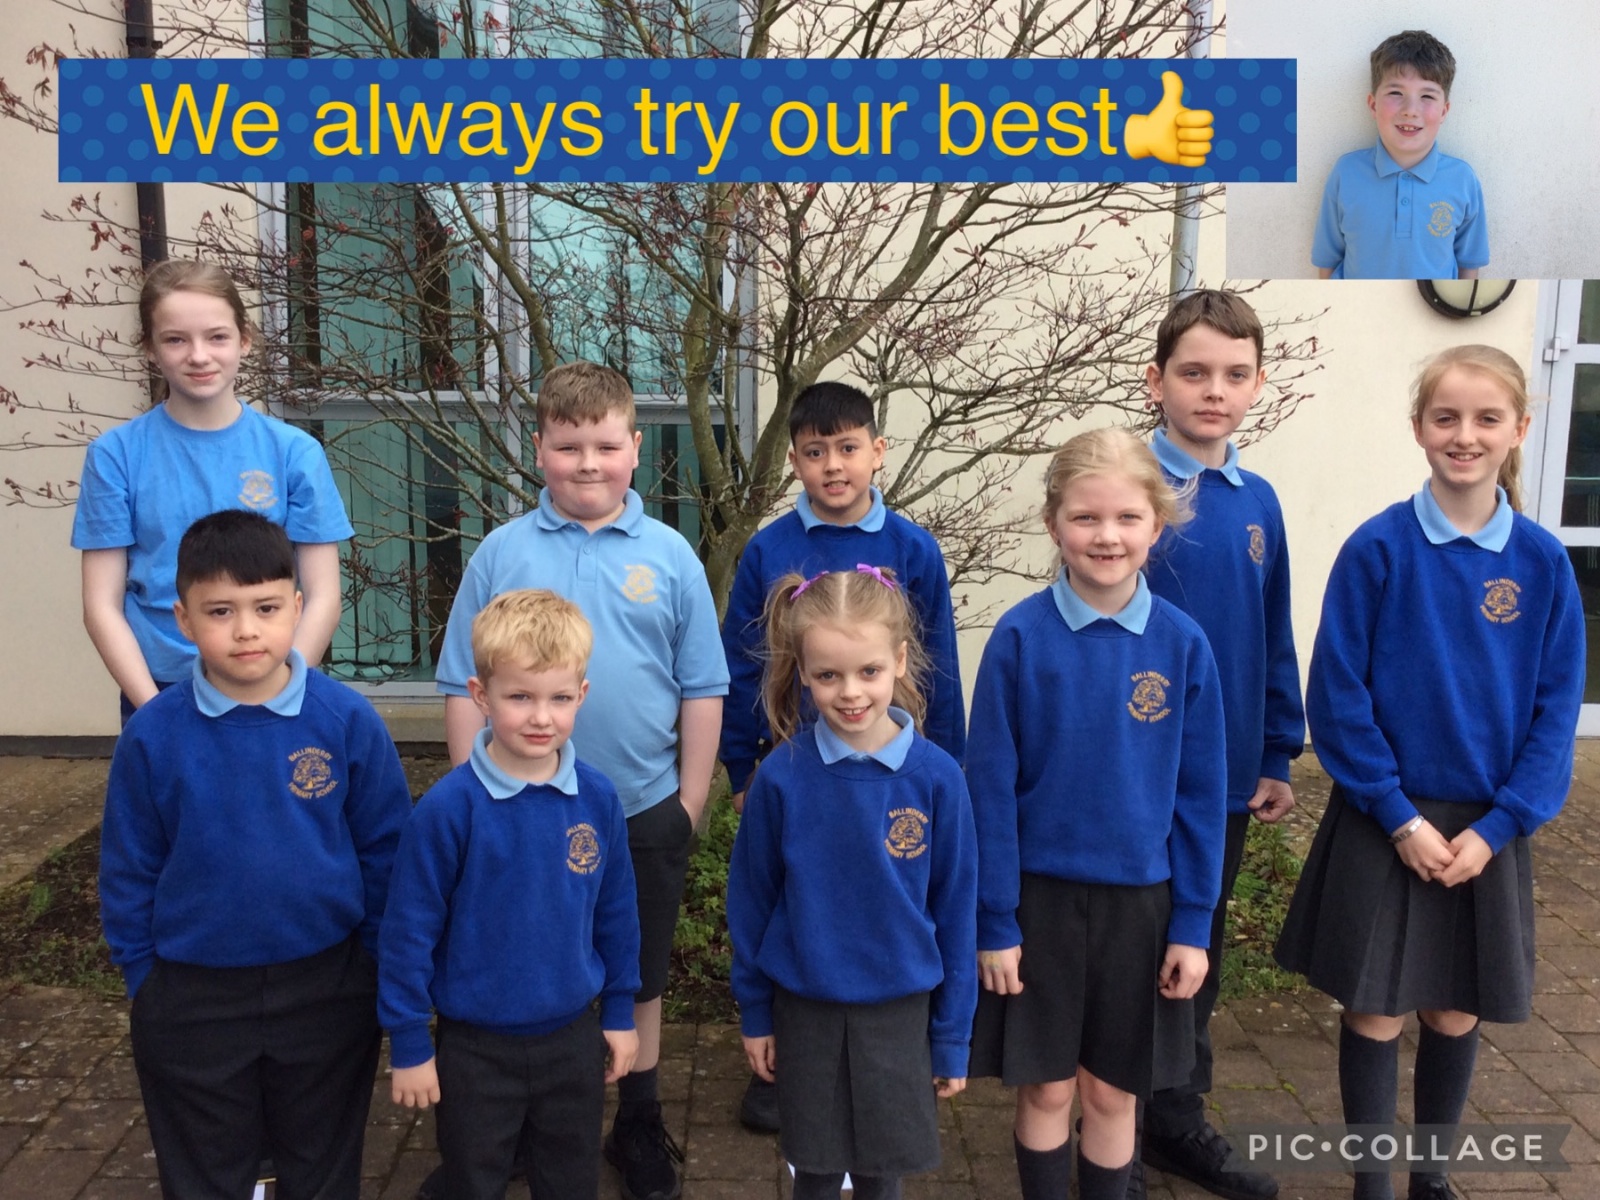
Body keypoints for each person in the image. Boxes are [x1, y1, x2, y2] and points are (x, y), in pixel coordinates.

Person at [1275, 346, 1584, 1200]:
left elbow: (1556, 710)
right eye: (1446, 417)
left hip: (1486, 828)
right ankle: (1373, 1182)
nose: (1464, 435)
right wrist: (1397, 814)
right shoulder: (1377, 549)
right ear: (1418, 428)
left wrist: (1501, 825)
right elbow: (1338, 694)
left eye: (1487, 418)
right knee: (1375, 1006)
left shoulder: (1542, 562)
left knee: (1454, 1006)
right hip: (1387, 821)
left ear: (1520, 430)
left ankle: (1431, 1176)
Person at [433, 360, 727, 1200]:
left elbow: (703, 686)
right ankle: (516, 1124)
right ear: (539, 450)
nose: (588, 463)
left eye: (605, 445)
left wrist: (688, 803)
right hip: (515, 814)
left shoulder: (669, 555)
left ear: (635, 447)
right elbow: (459, 681)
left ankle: (637, 1117)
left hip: (639, 807)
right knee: (525, 953)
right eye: (568, 447)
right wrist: (472, 796)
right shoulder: (503, 552)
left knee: (638, 968)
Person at [98, 509, 411, 1200]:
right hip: (192, 996)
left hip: (327, 988)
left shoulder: (345, 720)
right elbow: (128, 867)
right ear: (183, 620)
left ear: (297, 608)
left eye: (266, 608)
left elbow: (386, 852)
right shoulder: (153, 735)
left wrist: (371, 962)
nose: (246, 630)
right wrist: (144, 976)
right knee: (206, 1173)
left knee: (321, 1166)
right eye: (221, 611)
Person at [967, 428, 1228, 1200]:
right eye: (1085, 518)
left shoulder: (1183, 646)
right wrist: (995, 921)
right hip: (1038, 907)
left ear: (1158, 524)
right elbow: (989, 790)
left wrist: (1192, 925)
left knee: (1113, 1094)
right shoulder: (1019, 638)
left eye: (1126, 518)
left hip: (1141, 911)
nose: (1106, 536)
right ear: (1054, 524)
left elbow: (1201, 797)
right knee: (1047, 1089)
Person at [720, 379, 965, 1133]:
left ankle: (890, 1053)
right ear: (794, 460)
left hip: (891, 771)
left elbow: (942, 668)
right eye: (815, 451)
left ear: (877, 452)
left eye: (848, 448)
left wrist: (947, 761)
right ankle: (787, 1062)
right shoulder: (770, 549)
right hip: (799, 768)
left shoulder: (912, 548)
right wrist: (741, 766)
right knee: (799, 892)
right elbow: (742, 665)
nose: (833, 465)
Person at [380, 590, 641, 1200]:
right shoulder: (448, 810)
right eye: (520, 697)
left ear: (582, 694)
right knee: (473, 1180)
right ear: (481, 695)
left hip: (571, 1037)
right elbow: (408, 932)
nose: (540, 717)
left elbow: (617, 913)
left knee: (570, 1180)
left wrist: (620, 1011)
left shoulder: (597, 799)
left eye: (558, 698)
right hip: (475, 1046)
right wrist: (410, 1041)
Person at [727, 566, 977, 1200]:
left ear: (899, 661)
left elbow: (956, 911)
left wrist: (952, 1035)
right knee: (812, 1170)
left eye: (868, 671)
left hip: (900, 1013)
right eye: (828, 675)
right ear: (803, 674)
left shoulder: (938, 779)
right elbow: (752, 904)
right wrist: (756, 1013)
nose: (850, 692)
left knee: (880, 1174)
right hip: (805, 1010)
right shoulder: (780, 778)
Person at [1138, 289, 1304, 1200]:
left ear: (1257, 384)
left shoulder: (1259, 501)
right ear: (1156, 380)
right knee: (1131, 949)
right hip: (1135, 775)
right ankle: (1113, 1119)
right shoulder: (1130, 490)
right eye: (1194, 372)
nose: (1214, 391)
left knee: (1194, 946)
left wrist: (1278, 750)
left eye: (1234, 375)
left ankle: (1175, 1119)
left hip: (1227, 776)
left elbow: (1273, 633)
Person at [72, 259, 352, 723]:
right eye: (176, 339)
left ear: (245, 339)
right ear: (150, 348)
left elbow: (323, 596)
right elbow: (101, 605)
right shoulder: (115, 455)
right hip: (160, 690)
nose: (198, 355)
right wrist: (156, 714)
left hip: (276, 689)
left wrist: (283, 690)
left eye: (217, 336)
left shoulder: (294, 453)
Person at [1312, 30, 1488, 280]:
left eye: (1427, 96)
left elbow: (1469, 266)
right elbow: (1328, 261)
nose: (1410, 110)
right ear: (1373, 105)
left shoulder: (1462, 179)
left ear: (1444, 111)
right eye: (1396, 93)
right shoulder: (1346, 172)